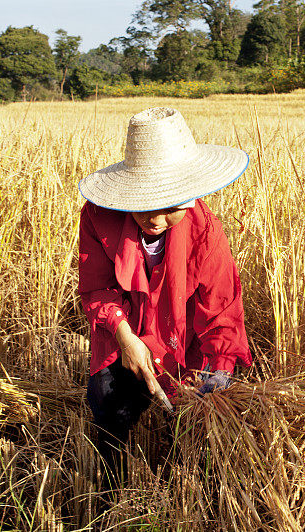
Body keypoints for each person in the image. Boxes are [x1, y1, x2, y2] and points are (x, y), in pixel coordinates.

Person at [77, 107, 252, 464]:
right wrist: (126, 339)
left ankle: (180, 483)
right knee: (109, 403)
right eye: (142, 206)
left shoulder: (205, 230)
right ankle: (112, 487)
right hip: (125, 330)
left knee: (192, 427)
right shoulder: (98, 216)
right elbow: (97, 289)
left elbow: (221, 308)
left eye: (168, 206)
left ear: (188, 195)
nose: (154, 219)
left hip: (182, 338)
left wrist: (217, 373)